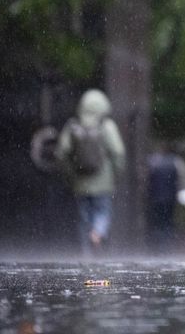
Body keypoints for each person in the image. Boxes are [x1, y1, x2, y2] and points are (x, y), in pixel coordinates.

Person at [55, 89, 126, 256]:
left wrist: (70, 173)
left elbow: (61, 153)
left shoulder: (73, 125)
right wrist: (116, 173)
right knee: (103, 211)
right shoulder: (106, 125)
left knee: (83, 217)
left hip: (80, 181)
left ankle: (86, 253)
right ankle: (98, 233)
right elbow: (118, 152)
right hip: (103, 181)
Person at [146, 141, 185, 252]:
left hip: (156, 198)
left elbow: (148, 179)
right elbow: (181, 179)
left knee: (158, 222)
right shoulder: (176, 161)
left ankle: (158, 246)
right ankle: (167, 246)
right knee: (168, 222)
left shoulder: (153, 161)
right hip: (170, 198)